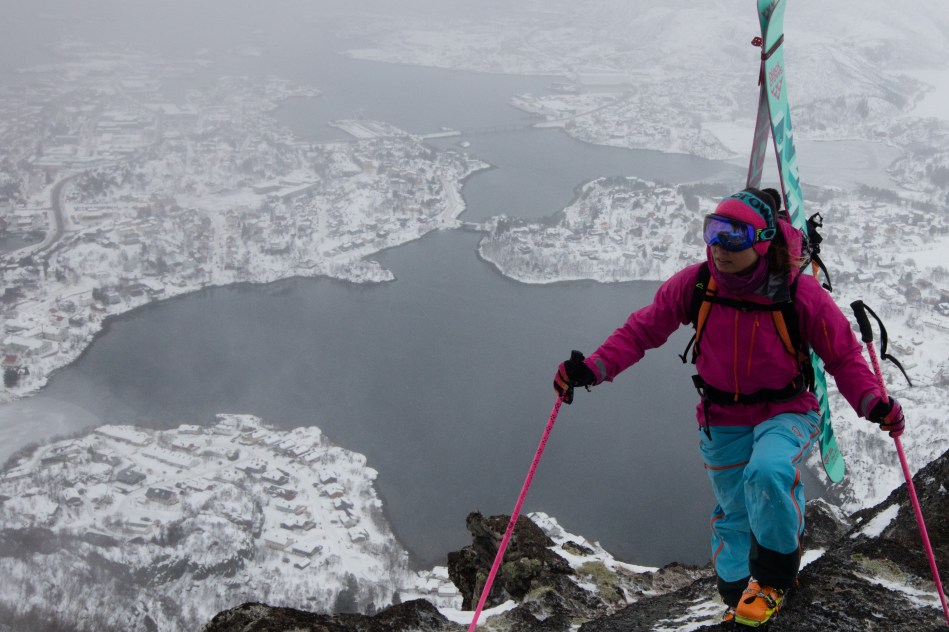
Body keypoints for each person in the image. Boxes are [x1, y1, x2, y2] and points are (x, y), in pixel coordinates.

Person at [552, 187, 905, 627]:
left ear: (761, 241)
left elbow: (843, 356)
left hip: (786, 409)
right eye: (713, 231)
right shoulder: (698, 284)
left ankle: (774, 579)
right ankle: (738, 595)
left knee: (769, 471)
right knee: (734, 511)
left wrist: (873, 401)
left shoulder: (800, 294)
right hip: (722, 417)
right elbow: (643, 329)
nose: (718, 246)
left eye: (732, 236)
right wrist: (594, 368)